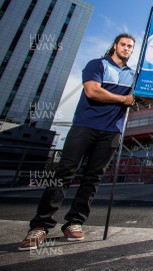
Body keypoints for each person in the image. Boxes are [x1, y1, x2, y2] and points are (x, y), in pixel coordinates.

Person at [18, 34, 136, 251]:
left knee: (93, 178)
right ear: (115, 46)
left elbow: (142, 97)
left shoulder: (132, 75)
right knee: (64, 173)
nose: (127, 49)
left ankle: (74, 222)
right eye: (123, 45)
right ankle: (40, 226)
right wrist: (122, 99)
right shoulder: (97, 64)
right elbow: (92, 91)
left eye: (130, 46)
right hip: (85, 126)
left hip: (111, 131)